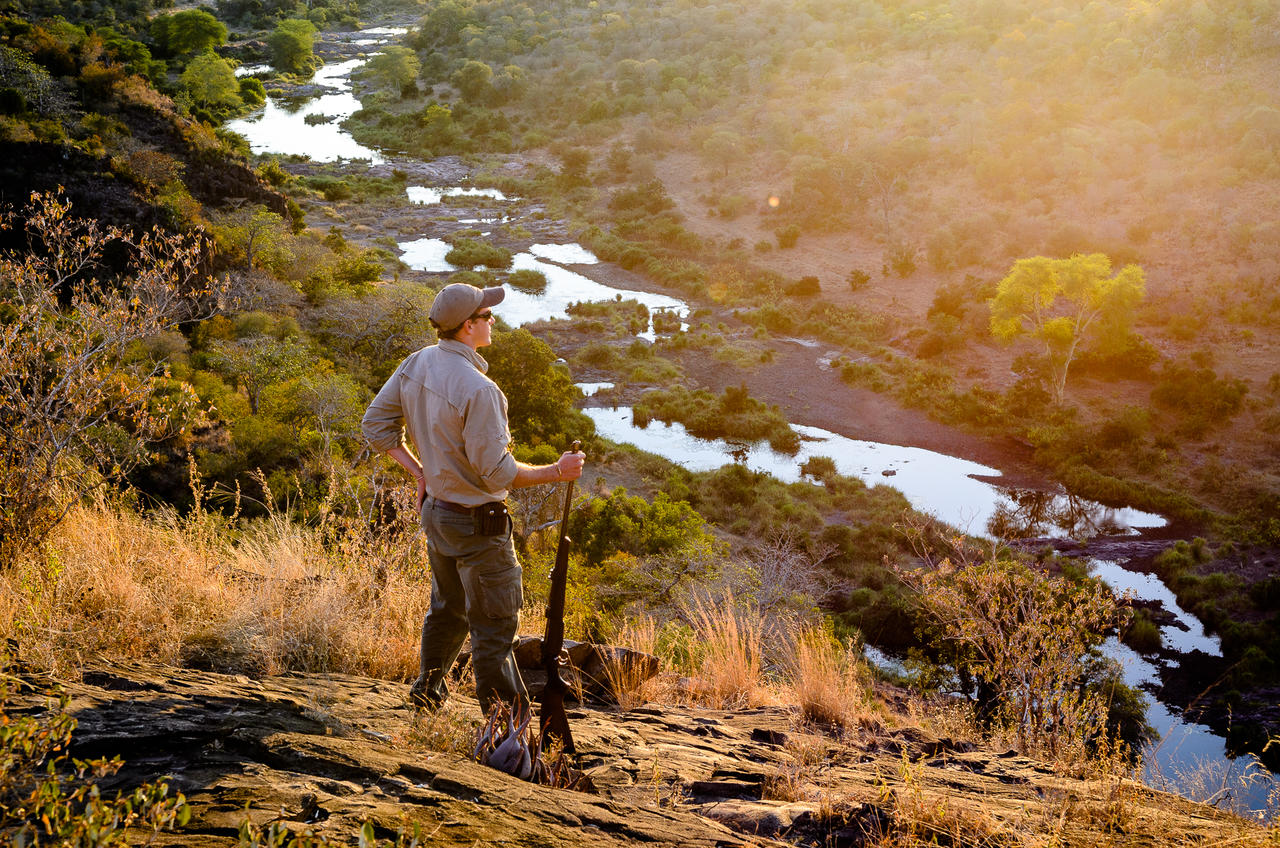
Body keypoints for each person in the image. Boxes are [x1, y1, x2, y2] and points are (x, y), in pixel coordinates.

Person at [361, 282, 585, 715]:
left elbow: (376, 426)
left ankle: (427, 696)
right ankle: (507, 734)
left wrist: (420, 472)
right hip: (479, 525)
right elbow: (498, 473)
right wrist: (556, 472)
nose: (493, 320)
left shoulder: (418, 362)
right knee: (495, 630)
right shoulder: (481, 390)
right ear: (468, 326)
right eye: (486, 315)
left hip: (437, 516)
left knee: (447, 610)